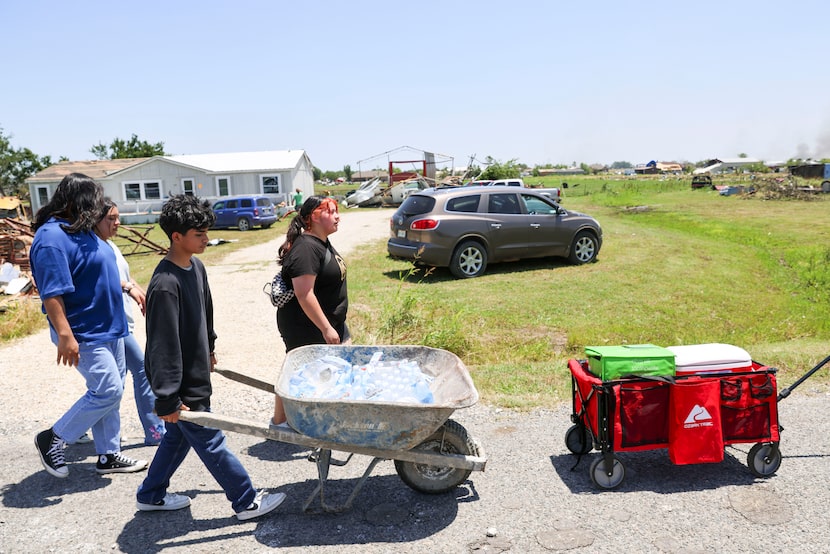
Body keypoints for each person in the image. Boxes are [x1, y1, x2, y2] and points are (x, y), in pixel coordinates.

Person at [136, 194, 286, 520]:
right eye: (198, 234)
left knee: (177, 438)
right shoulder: (164, 284)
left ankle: (150, 494)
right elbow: (161, 346)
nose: (206, 239)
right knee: (211, 442)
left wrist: (211, 348)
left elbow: (206, 313)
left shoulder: (196, 267)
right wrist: (167, 398)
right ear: (177, 236)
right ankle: (246, 501)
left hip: (196, 370)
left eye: (206, 232)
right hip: (181, 384)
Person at [31, 173, 148, 478]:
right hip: (84, 331)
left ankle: (108, 454)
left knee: (112, 390)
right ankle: (54, 438)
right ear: (78, 201)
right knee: (107, 389)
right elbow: (52, 291)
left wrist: (127, 286)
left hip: (110, 326)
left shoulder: (78, 231)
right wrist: (65, 336)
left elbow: (94, 270)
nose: (98, 208)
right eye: (94, 201)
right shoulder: (51, 238)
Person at [91, 198, 165, 445]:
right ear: (94, 220)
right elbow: (96, 283)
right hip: (110, 324)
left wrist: (141, 291)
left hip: (121, 321)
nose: (117, 223)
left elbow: (125, 275)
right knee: (137, 372)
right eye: (110, 218)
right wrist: (127, 288)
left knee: (112, 381)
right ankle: (155, 432)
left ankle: (81, 425)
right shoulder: (92, 248)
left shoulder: (110, 245)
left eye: (117, 217)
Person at [271, 195, 348, 427]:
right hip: (306, 325)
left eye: (337, 211)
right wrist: (326, 328)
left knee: (323, 370)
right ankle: (280, 423)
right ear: (313, 218)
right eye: (331, 211)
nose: (337, 216)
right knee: (297, 371)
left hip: (327, 323)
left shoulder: (321, 242)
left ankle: (312, 419)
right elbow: (305, 295)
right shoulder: (306, 248)